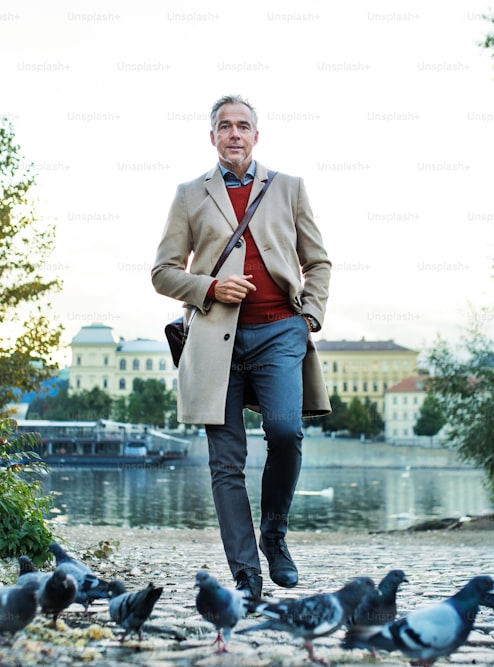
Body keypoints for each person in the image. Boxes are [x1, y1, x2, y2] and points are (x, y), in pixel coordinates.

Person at [151, 95, 331, 601]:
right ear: (212, 138)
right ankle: (246, 575)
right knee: (226, 462)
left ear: (257, 135)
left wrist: (309, 316)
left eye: (243, 126)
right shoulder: (189, 195)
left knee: (286, 432)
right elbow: (163, 272)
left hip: (280, 331)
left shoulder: (290, 188)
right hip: (213, 342)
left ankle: (274, 535)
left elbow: (318, 262)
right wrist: (209, 288)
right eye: (224, 126)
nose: (234, 133)